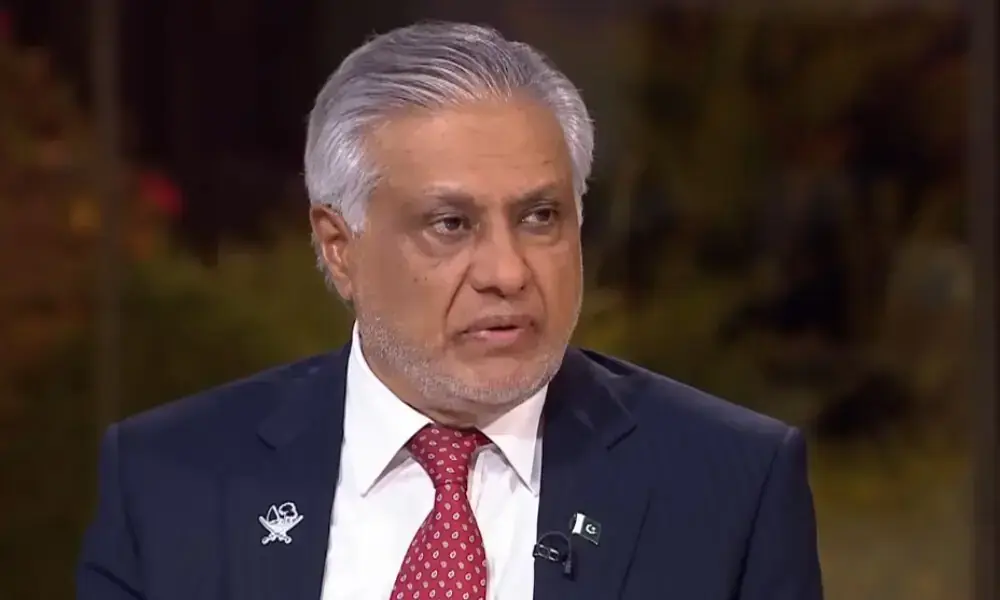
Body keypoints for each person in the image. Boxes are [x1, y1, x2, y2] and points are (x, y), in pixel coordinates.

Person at [76, 21, 823, 600]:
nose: (507, 272)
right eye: (451, 224)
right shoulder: (169, 481)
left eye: (540, 217)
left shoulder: (730, 486)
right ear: (340, 248)